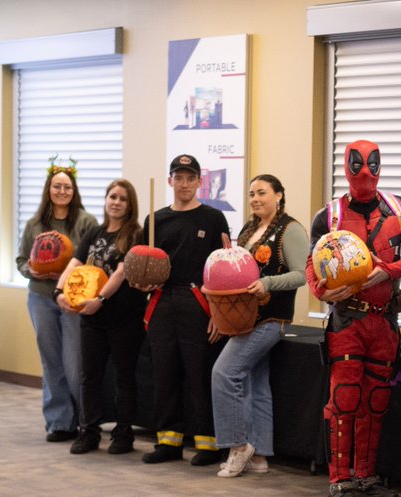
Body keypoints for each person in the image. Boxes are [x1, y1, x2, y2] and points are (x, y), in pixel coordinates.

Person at [306, 141, 401, 497]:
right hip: (347, 319)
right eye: (358, 164)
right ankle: (340, 480)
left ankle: (366, 475)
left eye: (372, 163)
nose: (365, 171)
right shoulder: (329, 216)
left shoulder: (398, 208)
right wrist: (322, 292)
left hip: (384, 320)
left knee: (376, 401)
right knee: (344, 399)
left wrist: (385, 272)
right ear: (346, 165)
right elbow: (312, 266)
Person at [133, 154, 229, 465]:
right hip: (162, 302)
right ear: (170, 180)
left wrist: (218, 311)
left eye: (191, 177)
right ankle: (169, 442)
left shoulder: (214, 219)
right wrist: (143, 283)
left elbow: (225, 267)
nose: (184, 183)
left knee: (198, 371)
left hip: (198, 300)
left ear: (201, 182)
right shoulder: (155, 220)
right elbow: (143, 265)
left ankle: (208, 443)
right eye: (179, 177)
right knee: (164, 372)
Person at [211, 175, 307, 477]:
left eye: (262, 193)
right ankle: (260, 455)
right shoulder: (249, 228)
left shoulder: (290, 229)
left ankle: (237, 445)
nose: (255, 199)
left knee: (224, 373)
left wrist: (267, 283)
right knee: (256, 384)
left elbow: (301, 274)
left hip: (270, 319)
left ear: (278, 195)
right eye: (251, 193)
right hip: (244, 318)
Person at [55, 179, 147, 455]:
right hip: (92, 320)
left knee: (124, 376)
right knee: (90, 376)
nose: (116, 202)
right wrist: (59, 291)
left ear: (130, 205)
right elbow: (74, 264)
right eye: (112, 197)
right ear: (106, 200)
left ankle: (123, 434)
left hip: (124, 318)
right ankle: (89, 431)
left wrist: (101, 300)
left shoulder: (135, 234)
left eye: (123, 199)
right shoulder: (93, 233)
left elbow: (121, 272)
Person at [17, 160, 98, 442]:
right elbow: (21, 261)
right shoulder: (34, 224)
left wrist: (67, 276)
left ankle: (85, 419)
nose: (62, 191)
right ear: (48, 189)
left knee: (75, 361)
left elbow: (93, 259)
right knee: (51, 360)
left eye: (67, 186)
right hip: (40, 297)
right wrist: (35, 270)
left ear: (74, 191)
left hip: (73, 299)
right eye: (57, 186)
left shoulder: (87, 222)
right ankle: (59, 421)